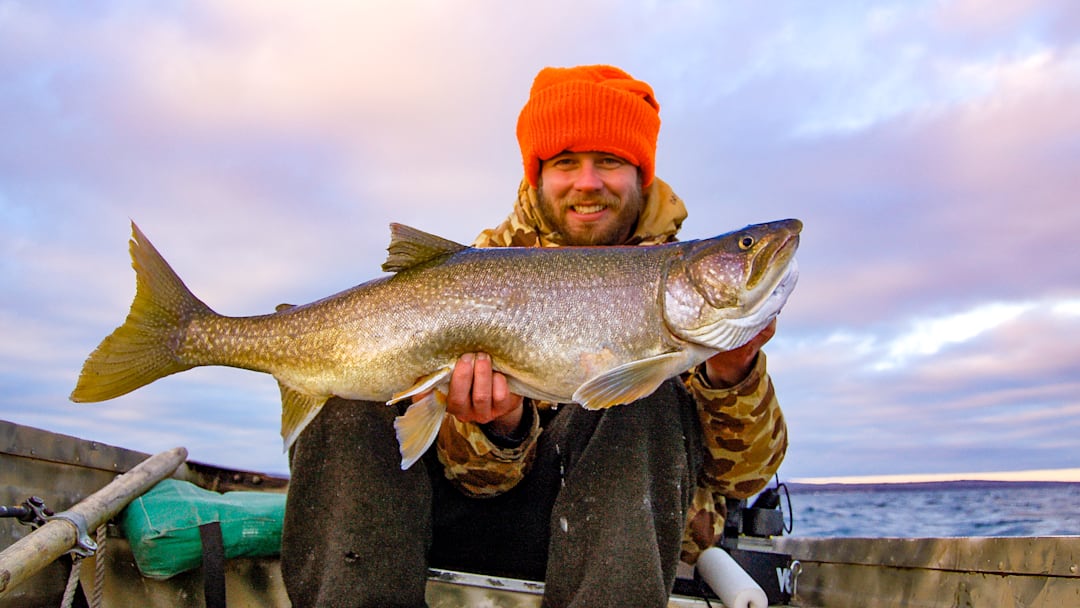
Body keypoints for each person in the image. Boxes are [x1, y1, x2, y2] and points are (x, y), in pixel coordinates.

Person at [281, 64, 788, 608]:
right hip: (468, 517)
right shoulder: (477, 269)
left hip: (626, 549)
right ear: (537, 174)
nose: (587, 182)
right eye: (566, 161)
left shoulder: (683, 285)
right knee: (348, 400)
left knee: (642, 400)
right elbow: (470, 478)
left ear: (640, 174)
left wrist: (732, 373)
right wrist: (499, 428)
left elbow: (744, 479)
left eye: (610, 161)